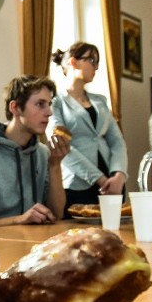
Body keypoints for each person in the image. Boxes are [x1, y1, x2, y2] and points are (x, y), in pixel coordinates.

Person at [0, 75, 70, 229]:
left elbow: (56, 214)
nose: (49, 112)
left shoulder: (42, 153)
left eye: (49, 104)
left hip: (33, 244)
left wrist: (55, 165)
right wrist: (19, 219)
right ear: (15, 107)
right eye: (40, 104)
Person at [48, 42, 128, 217]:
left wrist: (119, 175)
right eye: (92, 60)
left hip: (112, 183)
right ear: (73, 62)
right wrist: (99, 179)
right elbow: (61, 147)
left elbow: (117, 141)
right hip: (78, 183)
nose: (96, 67)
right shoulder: (55, 103)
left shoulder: (100, 101)